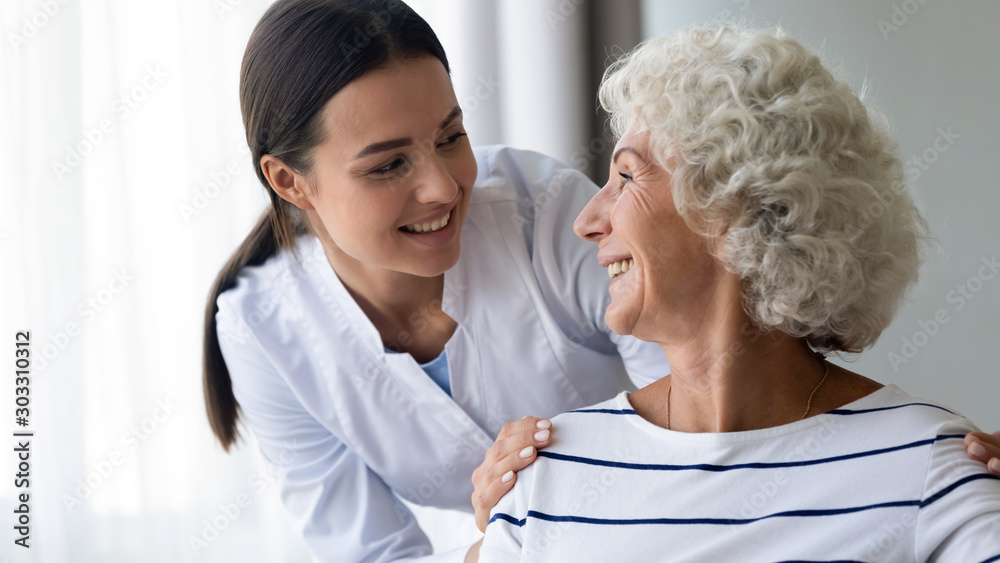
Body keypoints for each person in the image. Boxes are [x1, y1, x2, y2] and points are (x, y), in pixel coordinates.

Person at [201, 2, 1000, 561]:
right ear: (291, 182)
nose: (445, 187)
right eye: (388, 165)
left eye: (452, 137)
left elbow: (700, 390)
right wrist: (522, 524)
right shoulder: (262, 327)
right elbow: (369, 551)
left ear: (737, 214)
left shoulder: (932, 469)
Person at [479, 27, 1000, 562]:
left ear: (734, 205)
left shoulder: (931, 469)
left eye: (627, 176)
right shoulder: (546, 476)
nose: (588, 220)